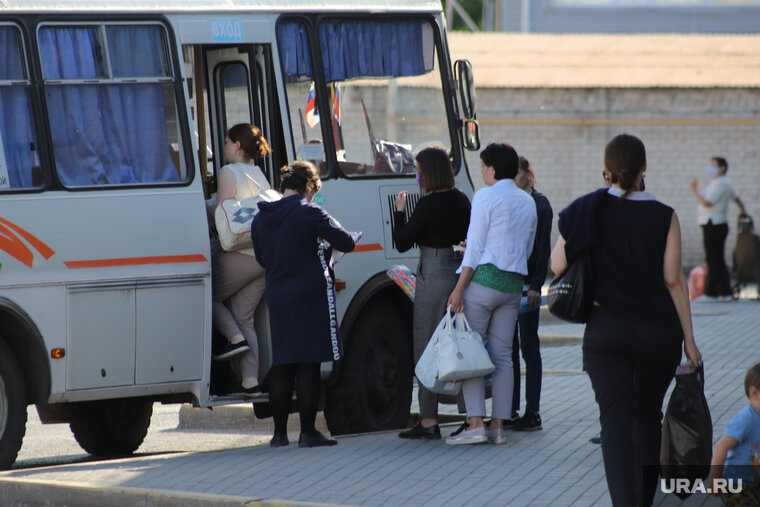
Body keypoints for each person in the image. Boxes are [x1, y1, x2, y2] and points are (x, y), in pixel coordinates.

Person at [550, 133, 701, 506]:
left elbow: (556, 265)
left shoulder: (588, 209)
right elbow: (673, 280)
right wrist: (689, 340)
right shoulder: (665, 215)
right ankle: (643, 500)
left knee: (614, 423)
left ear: (606, 170)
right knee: (647, 416)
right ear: (644, 167)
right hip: (657, 334)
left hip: (606, 334)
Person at [251, 161, 355, 448]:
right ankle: (308, 432)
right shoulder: (309, 212)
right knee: (308, 361)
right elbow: (346, 241)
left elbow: (261, 259)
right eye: (314, 189)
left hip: (278, 293)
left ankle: (279, 434)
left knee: (283, 363)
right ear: (308, 186)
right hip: (308, 293)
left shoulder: (260, 218)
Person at [445, 142, 537, 446]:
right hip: (512, 287)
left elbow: (474, 248)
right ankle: (498, 425)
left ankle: (475, 423)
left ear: (493, 169)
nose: (482, 171)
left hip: (483, 282)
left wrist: (459, 289)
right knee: (503, 357)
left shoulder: (485, 196)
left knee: (471, 353)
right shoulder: (528, 202)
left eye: (484, 166)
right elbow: (528, 247)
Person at [393, 146, 471, 440]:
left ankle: (429, 420)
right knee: (458, 342)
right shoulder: (462, 199)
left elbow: (402, 242)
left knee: (426, 345)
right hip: (459, 272)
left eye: (418, 170)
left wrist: (399, 213)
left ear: (429, 173)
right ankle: (470, 415)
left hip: (433, 273)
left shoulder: (427, 204)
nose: (417, 176)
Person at [209, 123, 271, 396]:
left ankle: (233, 339)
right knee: (245, 317)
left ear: (236, 145)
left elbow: (222, 212)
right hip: (265, 257)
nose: (223, 148)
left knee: (205, 294)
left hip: (242, 254)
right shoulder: (259, 174)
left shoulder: (228, 171)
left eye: (225, 142)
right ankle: (250, 381)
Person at [509, 156, 552, 432]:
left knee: (529, 348)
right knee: (507, 350)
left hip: (528, 286)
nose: (514, 178)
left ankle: (532, 412)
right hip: (507, 283)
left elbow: (542, 246)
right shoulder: (509, 200)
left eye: (518, 173)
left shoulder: (540, 204)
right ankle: (510, 409)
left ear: (528, 174)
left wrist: (537, 284)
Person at [689, 157, 746, 299]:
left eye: (713, 166)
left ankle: (712, 292)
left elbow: (707, 203)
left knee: (713, 258)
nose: (710, 169)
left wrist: (694, 190)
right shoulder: (720, 183)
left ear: (722, 168)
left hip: (714, 224)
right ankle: (725, 291)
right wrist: (742, 209)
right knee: (717, 259)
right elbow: (736, 198)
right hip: (715, 224)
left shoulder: (721, 183)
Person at [708, 362, 760, 505]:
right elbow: (721, 447)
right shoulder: (746, 419)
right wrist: (715, 480)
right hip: (736, 484)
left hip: (754, 482)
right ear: (753, 393)